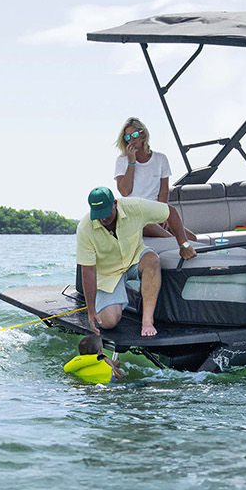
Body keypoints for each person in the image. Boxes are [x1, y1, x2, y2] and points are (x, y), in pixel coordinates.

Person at [75, 186, 169, 338]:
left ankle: (147, 320)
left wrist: (184, 244)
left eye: (106, 213)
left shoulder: (135, 206)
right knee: (108, 322)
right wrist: (91, 310)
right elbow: (88, 271)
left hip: (134, 258)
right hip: (108, 273)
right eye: (99, 215)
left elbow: (170, 211)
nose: (104, 219)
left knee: (152, 260)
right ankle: (116, 300)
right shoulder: (85, 228)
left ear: (115, 203)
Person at [111, 117, 198, 262]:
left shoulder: (161, 159)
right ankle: (181, 247)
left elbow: (164, 191)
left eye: (133, 135)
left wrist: (162, 216)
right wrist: (131, 162)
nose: (130, 140)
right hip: (134, 213)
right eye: (127, 137)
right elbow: (125, 191)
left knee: (193, 238)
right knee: (166, 235)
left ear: (143, 134)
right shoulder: (122, 161)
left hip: (155, 210)